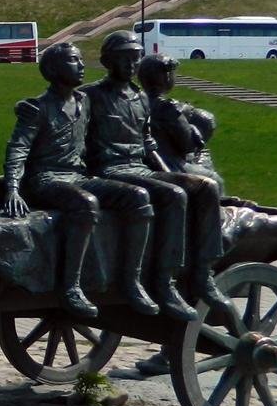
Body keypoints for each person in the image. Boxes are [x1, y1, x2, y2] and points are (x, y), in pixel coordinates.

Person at [1, 42, 162, 320]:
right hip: (45, 179)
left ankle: (131, 280)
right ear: (52, 69)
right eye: (74, 60)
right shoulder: (37, 108)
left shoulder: (84, 101)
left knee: (137, 197)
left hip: (77, 177)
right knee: (86, 203)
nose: (82, 65)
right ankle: (71, 286)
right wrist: (13, 188)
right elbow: (17, 149)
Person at [84, 30, 225, 314]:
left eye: (136, 58)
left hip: (139, 168)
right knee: (174, 196)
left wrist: (174, 176)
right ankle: (163, 281)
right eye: (124, 58)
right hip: (108, 170)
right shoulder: (90, 96)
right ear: (107, 61)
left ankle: (202, 273)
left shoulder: (139, 99)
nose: (132, 64)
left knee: (205, 186)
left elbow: (148, 146)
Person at [138, 53, 222, 192]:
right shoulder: (168, 107)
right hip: (169, 164)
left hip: (143, 162)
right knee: (214, 179)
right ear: (167, 77)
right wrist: (194, 130)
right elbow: (187, 145)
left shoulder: (136, 101)